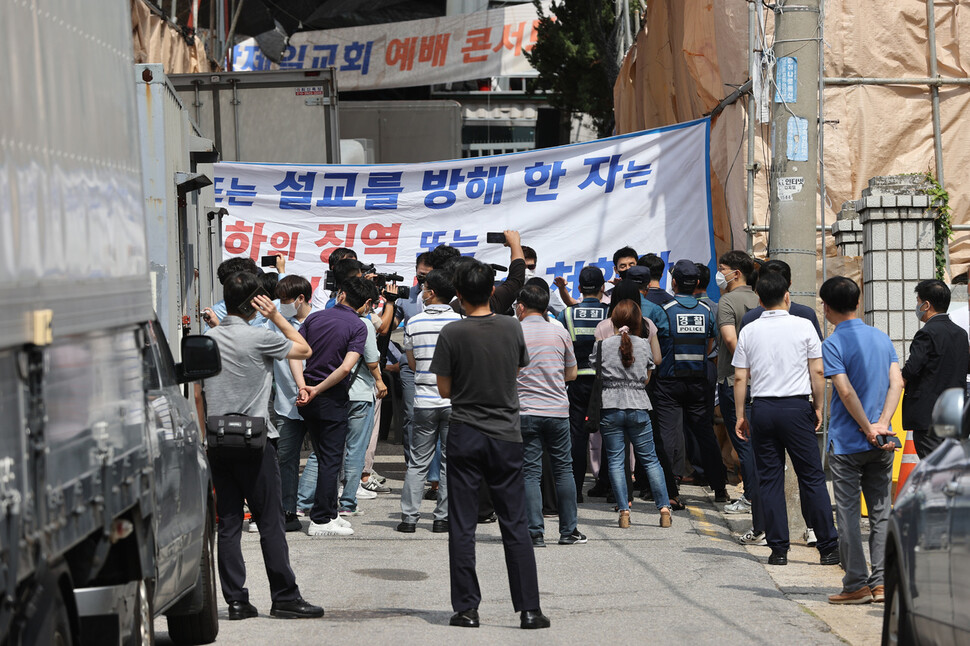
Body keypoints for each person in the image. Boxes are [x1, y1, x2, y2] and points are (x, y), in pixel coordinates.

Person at [430, 259, 549, 630]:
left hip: (465, 431)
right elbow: (515, 371)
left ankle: (467, 609)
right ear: (493, 290)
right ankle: (528, 609)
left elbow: (444, 389)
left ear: (459, 295)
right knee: (515, 523)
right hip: (505, 434)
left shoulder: (452, 333)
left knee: (462, 524)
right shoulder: (513, 327)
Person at [200, 271, 323, 619]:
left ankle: (236, 601)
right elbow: (304, 349)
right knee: (270, 522)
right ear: (254, 304)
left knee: (229, 523)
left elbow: (197, 393)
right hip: (256, 442)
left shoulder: (209, 338)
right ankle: (284, 596)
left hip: (218, 441)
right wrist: (276, 316)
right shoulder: (258, 338)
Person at [732, 271, 839, 567]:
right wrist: (818, 406)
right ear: (787, 295)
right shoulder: (804, 325)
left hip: (762, 408)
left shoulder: (750, 330)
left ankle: (778, 549)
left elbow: (741, 376)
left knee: (769, 479)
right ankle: (828, 547)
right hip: (796, 408)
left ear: (759, 299)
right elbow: (818, 372)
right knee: (812, 477)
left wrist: (741, 415)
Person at [819, 277, 903, 605]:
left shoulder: (833, 343)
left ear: (826, 307)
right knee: (881, 512)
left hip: (847, 441)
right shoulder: (882, 338)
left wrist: (866, 426)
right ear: (858, 302)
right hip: (883, 440)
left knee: (850, 514)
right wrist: (882, 424)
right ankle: (881, 583)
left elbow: (844, 390)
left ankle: (855, 583)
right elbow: (896, 382)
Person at [292, 277, 371, 537]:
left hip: (308, 396)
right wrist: (317, 389)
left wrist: (304, 385)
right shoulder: (359, 326)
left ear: (341, 295)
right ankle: (321, 519)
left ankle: (330, 512)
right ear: (366, 303)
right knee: (330, 460)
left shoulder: (314, 318)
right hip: (330, 397)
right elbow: (346, 367)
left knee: (324, 455)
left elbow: (294, 352)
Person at [590, 300, 672, 528]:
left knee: (616, 461)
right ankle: (664, 509)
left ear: (613, 320)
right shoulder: (644, 345)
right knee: (650, 460)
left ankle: (624, 511)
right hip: (638, 406)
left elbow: (597, 373)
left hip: (610, 407)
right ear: (638, 321)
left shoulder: (602, 345)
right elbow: (647, 377)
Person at [515, 283, 585, 547]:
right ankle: (569, 532)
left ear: (521, 307)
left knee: (530, 472)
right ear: (546, 307)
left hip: (525, 411)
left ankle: (535, 533)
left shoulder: (514, 331)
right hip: (557, 410)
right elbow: (572, 373)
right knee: (563, 469)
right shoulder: (560, 332)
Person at [653, 260, 729, 501]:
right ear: (697, 283)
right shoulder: (706, 311)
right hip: (698, 380)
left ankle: (671, 493)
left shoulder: (663, 311)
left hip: (668, 382)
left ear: (674, 282)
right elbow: (709, 345)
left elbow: (656, 346)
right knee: (705, 433)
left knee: (669, 435)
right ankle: (720, 488)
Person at [399, 267, 463, 533]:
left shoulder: (414, 323)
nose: (422, 293)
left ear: (432, 293)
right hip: (454, 402)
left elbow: (412, 364)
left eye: (424, 289)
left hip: (424, 399)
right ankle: (442, 518)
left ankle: (409, 519)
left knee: (418, 461)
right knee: (450, 462)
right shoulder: (461, 322)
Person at [714, 251, 765, 544]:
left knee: (744, 446)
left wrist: (749, 369)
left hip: (736, 382)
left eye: (722, 269)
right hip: (764, 386)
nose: (719, 274)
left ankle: (753, 502)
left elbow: (731, 341)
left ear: (736, 273)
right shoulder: (760, 299)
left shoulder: (728, 301)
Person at [556, 266, 610, 502]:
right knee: (610, 433)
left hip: (576, 381)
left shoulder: (566, 314)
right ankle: (608, 487)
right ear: (603, 288)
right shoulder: (610, 312)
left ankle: (575, 490)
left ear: (579, 288)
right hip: (604, 381)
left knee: (576, 436)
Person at [902, 278, 970, 458]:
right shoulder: (961, 334)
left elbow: (912, 369)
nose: (916, 306)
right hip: (954, 414)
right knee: (950, 465)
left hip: (928, 416)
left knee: (934, 468)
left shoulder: (926, 333)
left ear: (926, 305)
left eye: (918, 301)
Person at [338, 278, 388, 517]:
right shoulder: (365, 324)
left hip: (334, 391)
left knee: (331, 447)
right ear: (368, 302)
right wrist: (379, 380)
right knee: (356, 448)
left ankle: (317, 496)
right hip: (359, 393)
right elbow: (371, 360)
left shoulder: (323, 318)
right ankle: (349, 499)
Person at [269, 275, 315, 532]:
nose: (281, 303)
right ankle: (288, 511)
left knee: (327, 456)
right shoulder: (274, 322)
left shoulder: (319, 320)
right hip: (287, 402)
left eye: (286, 300)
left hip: (318, 398)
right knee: (285, 458)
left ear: (300, 298)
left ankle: (320, 509)